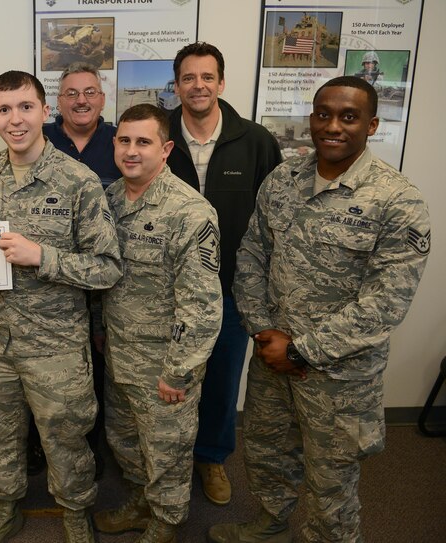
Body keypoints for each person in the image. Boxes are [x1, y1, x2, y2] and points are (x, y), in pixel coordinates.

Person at [209, 76, 430, 542]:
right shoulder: (283, 179)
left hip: (339, 375)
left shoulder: (397, 200)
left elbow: (385, 302)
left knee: (331, 479)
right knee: (267, 453)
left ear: (371, 124)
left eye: (348, 117)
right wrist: (263, 331)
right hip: (273, 357)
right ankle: (270, 526)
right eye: (323, 114)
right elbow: (251, 255)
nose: (333, 126)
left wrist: (301, 351)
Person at [0, 71, 121, 543]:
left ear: (44, 111)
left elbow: (109, 267)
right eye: (5, 109)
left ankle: (76, 512)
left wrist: (43, 257)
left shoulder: (78, 181)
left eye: (26, 107)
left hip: (56, 345)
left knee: (66, 433)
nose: (16, 119)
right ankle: (5, 505)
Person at [93, 104, 222, 542]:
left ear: (165, 149)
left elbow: (202, 304)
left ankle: (166, 523)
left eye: (143, 142)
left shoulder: (190, 212)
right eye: (124, 141)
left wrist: (178, 371)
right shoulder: (107, 201)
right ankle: (139, 503)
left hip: (165, 365)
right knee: (125, 442)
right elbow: (101, 275)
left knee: (166, 453)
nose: (132, 151)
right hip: (120, 355)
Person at [166, 41, 282, 506]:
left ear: (221, 82)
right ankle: (168, 458)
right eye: (189, 78)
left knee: (220, 379)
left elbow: (277, 217)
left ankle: (211, 458)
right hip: (165, 294)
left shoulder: (254, 141)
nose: (198, 86)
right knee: (170, 380)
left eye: (207, 77)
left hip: (231, 290)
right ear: (176, 86)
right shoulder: (157, 135)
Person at [38, 61, 122, 478]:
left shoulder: (119, 141)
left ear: (103, 99)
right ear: (57, 102)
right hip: (50, 285)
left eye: (89, 92)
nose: (81, 100)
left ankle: (94, 451)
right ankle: (44, 449)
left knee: (103, 369)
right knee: (50, 374)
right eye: (71, 93)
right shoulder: (40, 139)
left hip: (110, 282)